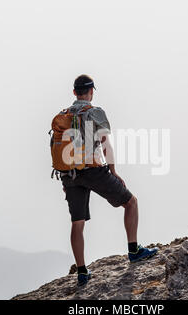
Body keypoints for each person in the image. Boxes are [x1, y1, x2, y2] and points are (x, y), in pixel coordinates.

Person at [59, 75, 158, 286]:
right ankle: (134, 250)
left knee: (77, 223)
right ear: (91, 92)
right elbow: (106, 145)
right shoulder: (95, 112)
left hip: (69, 175)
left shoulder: (63, 116)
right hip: (93, 171)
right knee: (131, 202)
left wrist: (66, 182)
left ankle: (82, 273)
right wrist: (113, 171)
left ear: (74, 92)